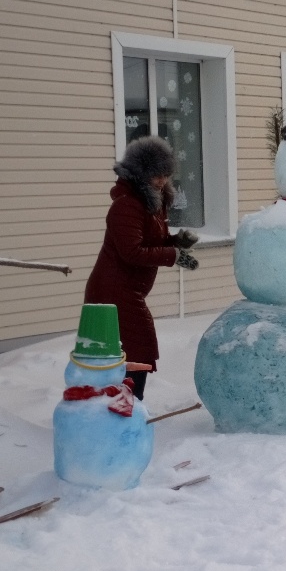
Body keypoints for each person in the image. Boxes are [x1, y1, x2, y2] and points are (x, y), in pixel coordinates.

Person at [83, 137, 198, 398]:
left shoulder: (150, 203)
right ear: (140, 172)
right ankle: (125, 406)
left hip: (127, 292)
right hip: (113, 294)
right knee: (133, 351)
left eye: (165, 175)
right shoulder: (127, 205)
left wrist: (175, 242)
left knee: (135, 350)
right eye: (156, 174)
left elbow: (148, 241)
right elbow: (131, 251)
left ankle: (127, 405)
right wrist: (173, 255)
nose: (161, 181)